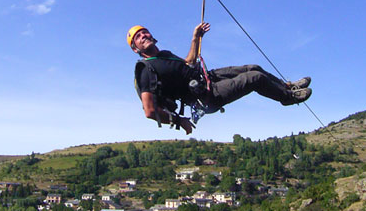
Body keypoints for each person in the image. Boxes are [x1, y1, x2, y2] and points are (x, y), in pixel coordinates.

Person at [127, 23, 312, 134]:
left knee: (253, 67)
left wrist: (195, 38)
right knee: (254, 78)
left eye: (144, 32)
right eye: (138, 37)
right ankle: (288, 99)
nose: (143, 36)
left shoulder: (164, 55)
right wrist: (178, 121)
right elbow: (150, 111)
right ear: (136, 49)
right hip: (205, 95)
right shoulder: (145, 69)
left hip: (207, 78)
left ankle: (287, 87)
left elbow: (189, 62)